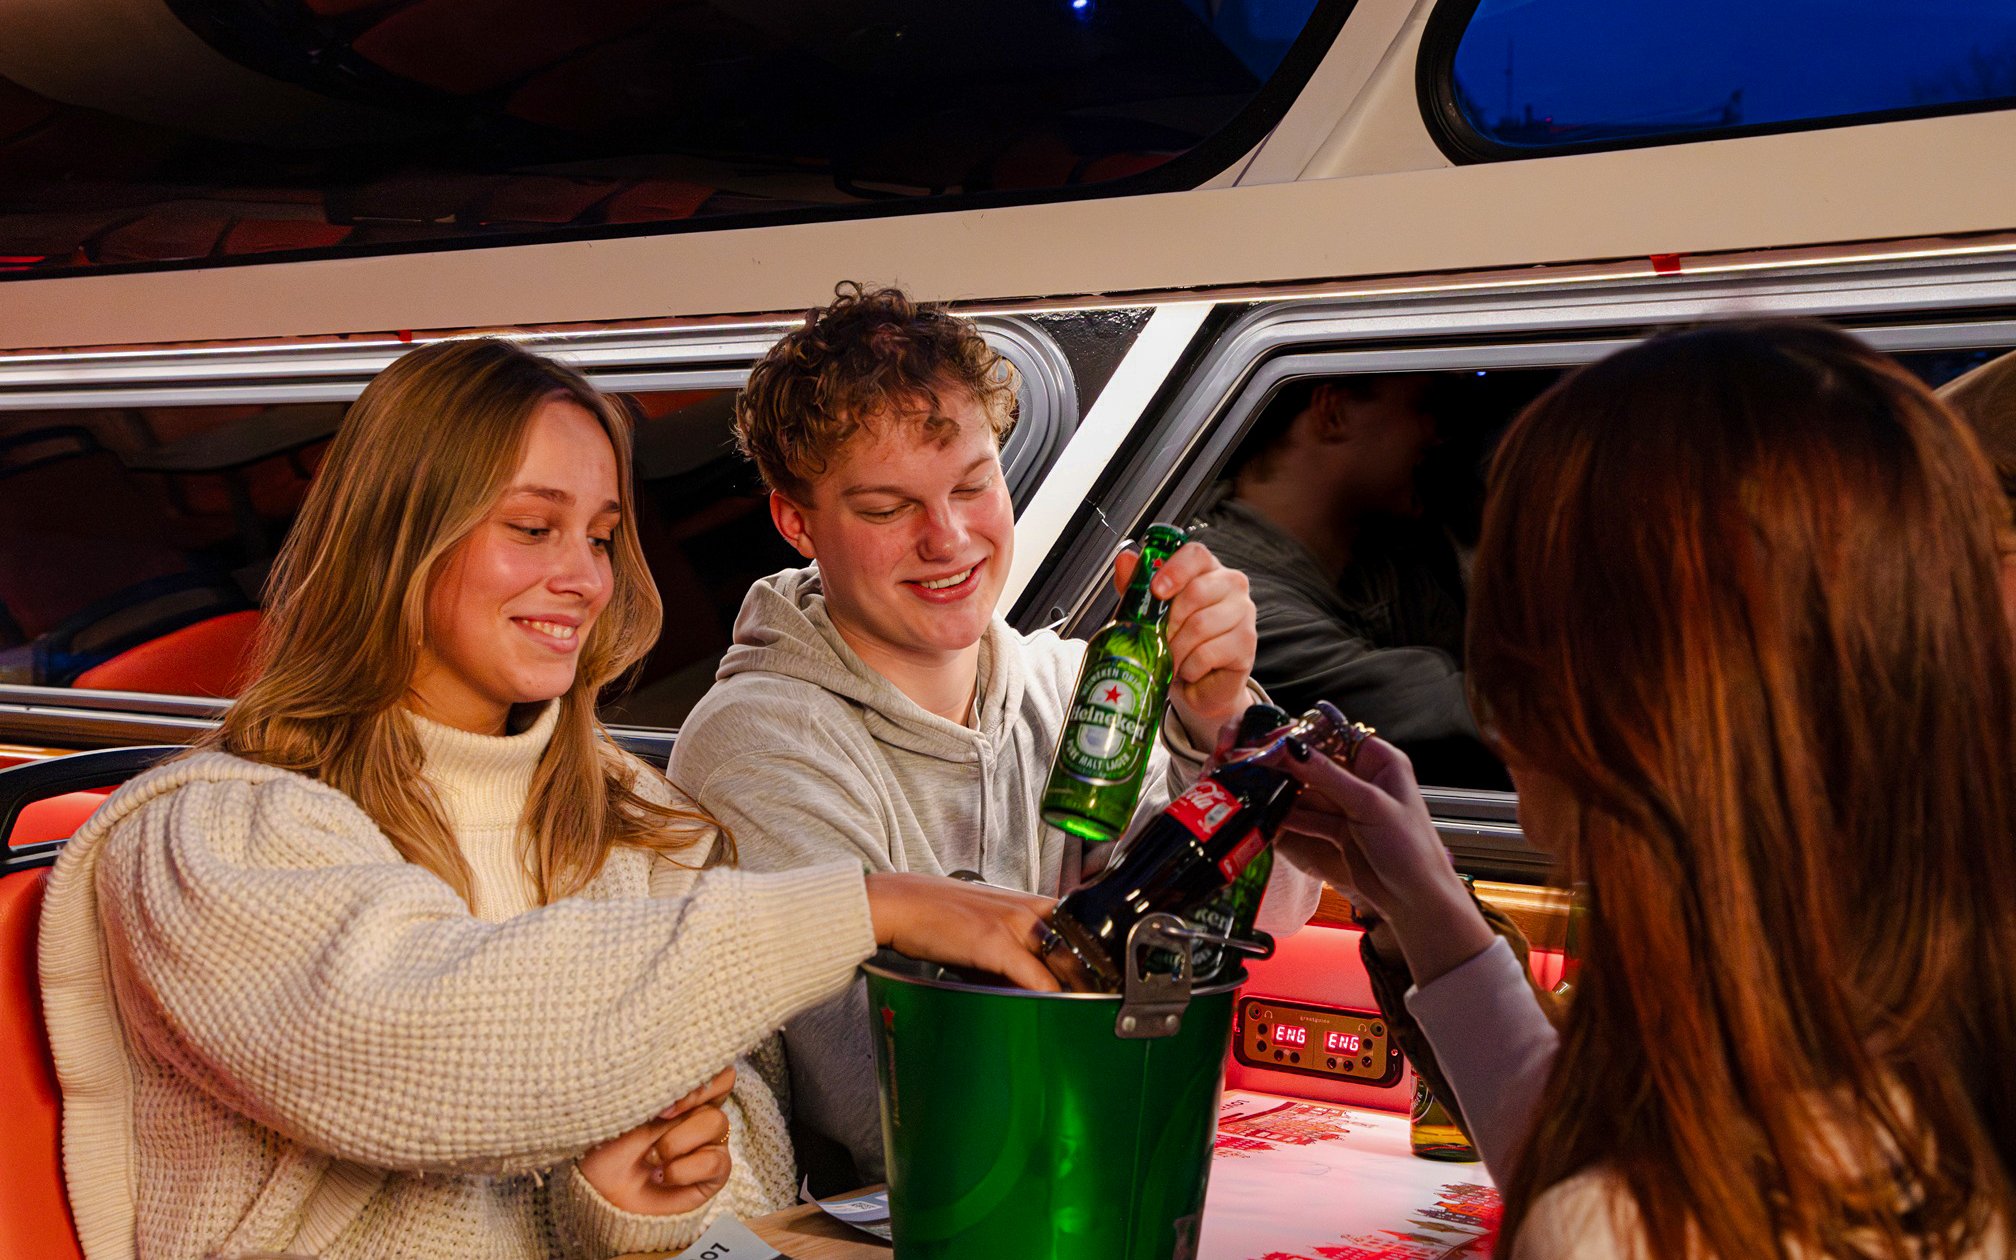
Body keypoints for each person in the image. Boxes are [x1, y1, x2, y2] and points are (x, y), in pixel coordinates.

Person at [36, 338, 1062, 1260]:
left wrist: (636, 1202)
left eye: (601, 537)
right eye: (533, 527)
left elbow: (744, 1146)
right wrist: (867, 907)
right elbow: (426, 1042)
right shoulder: (213, 832)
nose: (582, 577)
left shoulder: (634, 822)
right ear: (398, 539)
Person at [1269, 322, 2016, 1256]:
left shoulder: (1631, 1223)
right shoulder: (1917, 1044)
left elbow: (1607, 1200)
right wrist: (1419, 902)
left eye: (1519, 613)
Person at [670, 284, 1321, 1183]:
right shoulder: (762, 743)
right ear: (796, 521)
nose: (948, 540)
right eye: (886, 508)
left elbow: (1275, 910)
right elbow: (882, 1098)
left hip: (1071, 1162)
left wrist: (1220, 721)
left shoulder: (1075, 691)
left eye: (973, 485)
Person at [1197, 375, 1502, 785]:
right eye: (1423, 407)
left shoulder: (1388, 561)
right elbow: (1457, 716)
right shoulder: (1232, 603)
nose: (1436, 434)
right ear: (1334, 413)